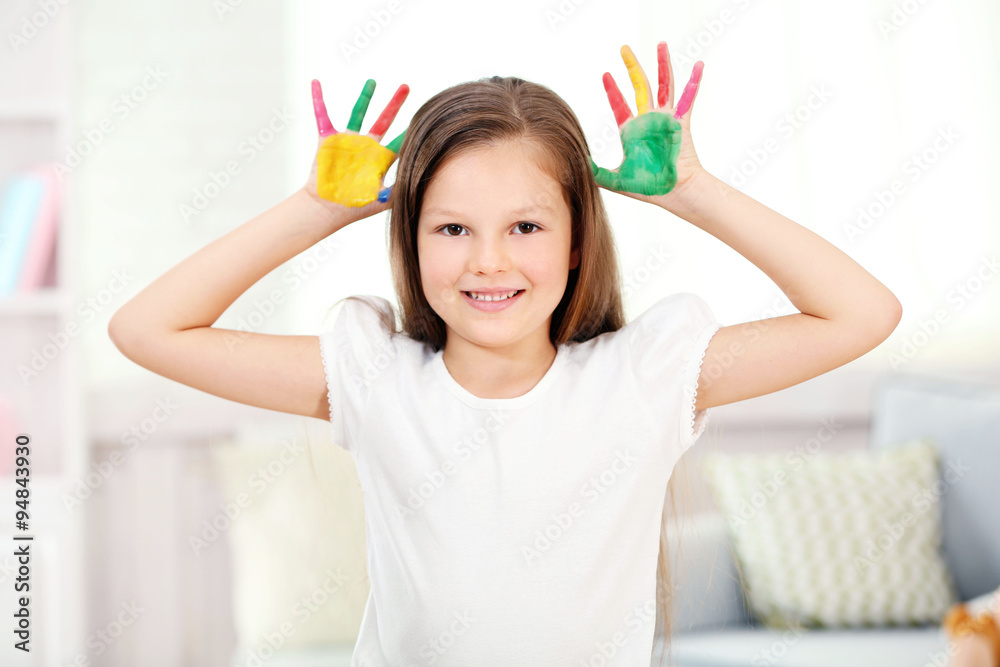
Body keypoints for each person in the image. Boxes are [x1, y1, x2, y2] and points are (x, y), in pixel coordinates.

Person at [108, 41, 902, 666]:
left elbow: (863, 313)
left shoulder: (644, 380)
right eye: (453, 228)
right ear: (410, 241)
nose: (489, 260)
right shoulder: (373, 377)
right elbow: (147, 330)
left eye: (525, 227)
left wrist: (692, 190)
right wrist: (313, 209)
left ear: (577, 242)